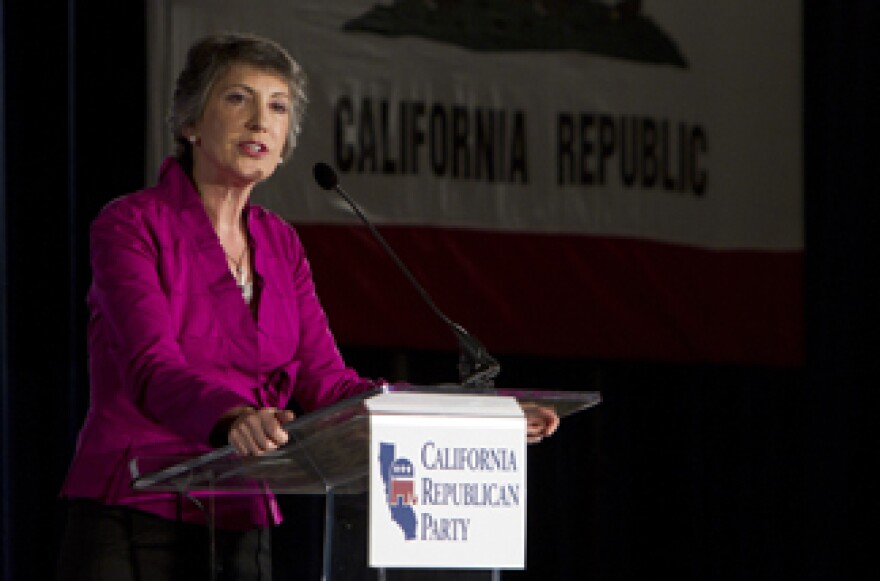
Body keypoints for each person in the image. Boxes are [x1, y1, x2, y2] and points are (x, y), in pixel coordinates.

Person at [57, 32, 559, 581]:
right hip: (132, 511)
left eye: (276, 107)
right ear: (190, 124)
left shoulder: (281, 244)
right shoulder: (131, 225)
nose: (260, 121)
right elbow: (152, 367)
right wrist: (233, 418)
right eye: (236, 99)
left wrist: (476, 421)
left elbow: (330, 385)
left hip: (241, 518)